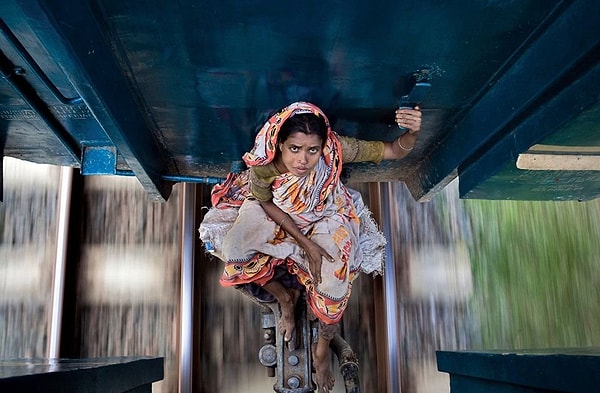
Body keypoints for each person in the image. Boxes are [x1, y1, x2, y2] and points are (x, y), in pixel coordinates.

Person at [199, 101, 422, 393]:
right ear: (280, 145)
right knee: (236, 249)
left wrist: (413, 132)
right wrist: (305, 243)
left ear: (322, 147)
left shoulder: (336, 148)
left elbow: (394, 149)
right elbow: (264, 201)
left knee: (335, 280)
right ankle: (286, 299)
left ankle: (322, 351)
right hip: (275, 210)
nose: (303, 160)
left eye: (312, 150)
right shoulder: (264, 164)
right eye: (294, 149)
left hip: (323, 213)